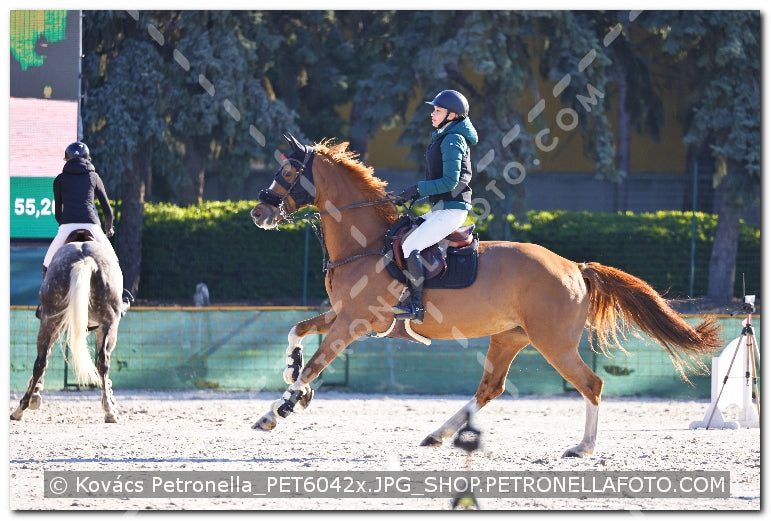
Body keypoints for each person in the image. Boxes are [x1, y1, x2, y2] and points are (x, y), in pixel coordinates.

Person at [392, 89, 478, 323]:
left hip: (452, 210)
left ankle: (416, 307)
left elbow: (451, 182)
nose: (432, 113)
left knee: (411, 245)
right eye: (434, 109)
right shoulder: (444, 135)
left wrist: (417, 189)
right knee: (400, 235)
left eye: (438, 110)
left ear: (452, 115)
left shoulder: (453, 139)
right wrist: (411, 194)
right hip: (442, 208)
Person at [37, 141, 132, 318]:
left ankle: (45, 304)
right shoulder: (94, 177)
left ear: (67, 159)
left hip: (67, 226)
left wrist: (65, 225)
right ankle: (121, 299)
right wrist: (108, 229)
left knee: (47, 264)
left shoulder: (59, 179)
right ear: (87, 158)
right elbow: (108, 211)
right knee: (114, 262)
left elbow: (58, 212)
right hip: (91, 225)